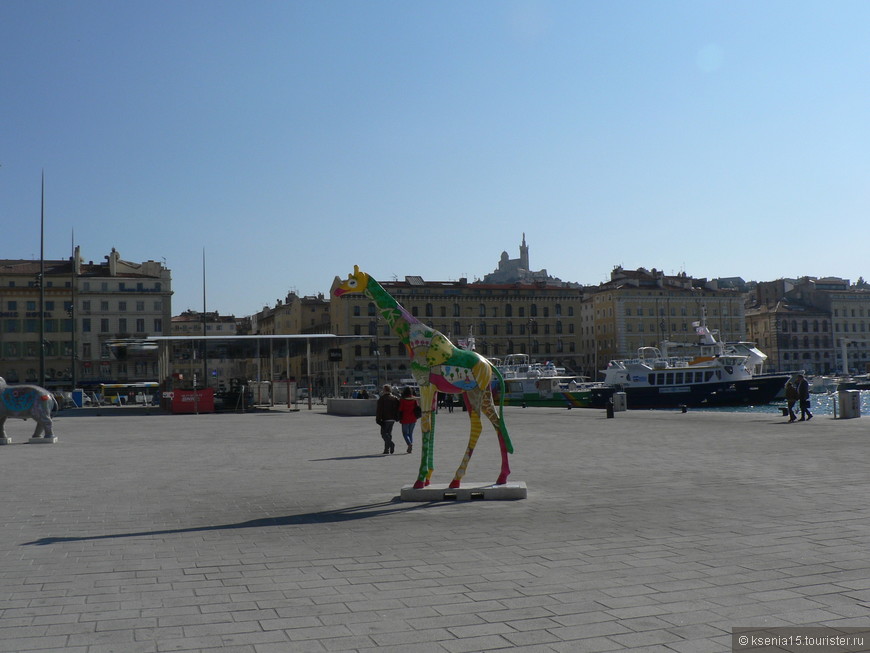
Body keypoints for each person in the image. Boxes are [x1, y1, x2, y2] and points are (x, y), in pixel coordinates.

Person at [375, 384, 399, 454]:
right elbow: (398, 408)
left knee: (383, 433)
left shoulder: (382, 399)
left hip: (385, 419)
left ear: (384, 390)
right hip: (393, 418)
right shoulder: (395, 398)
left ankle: (391, 444)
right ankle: (386, 450)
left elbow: (379, 410)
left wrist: (378, 419)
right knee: (389, 433)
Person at [397, 387, 420, 453]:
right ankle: (411, 443)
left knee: (405, 433)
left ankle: (409, 443)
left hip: (405, 418)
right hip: (413, 418)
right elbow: (417, 407)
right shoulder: (414, 399)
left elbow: (400, 409)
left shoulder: (403, 400)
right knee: (410, 433)